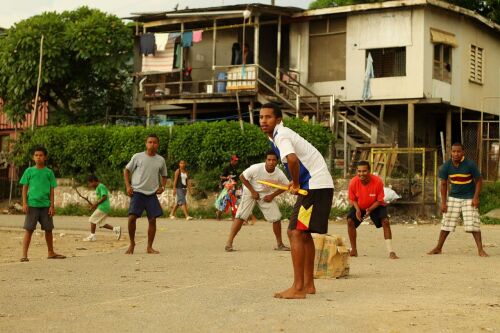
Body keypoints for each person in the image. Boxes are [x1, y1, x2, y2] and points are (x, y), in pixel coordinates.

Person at [259, 103, 334, 299]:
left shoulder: (281, 135)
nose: (263, 121)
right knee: (304, 234)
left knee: (294, 232)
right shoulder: (279, 136)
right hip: (318, 185)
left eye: (268, 117)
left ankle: (299, 287)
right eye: (261, 117)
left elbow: (292, 160)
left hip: (314, 186)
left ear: (278, 120)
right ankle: (308, 285)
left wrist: (294, 182)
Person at [428, 142, 488, 257]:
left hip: (469, 197)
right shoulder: (446, 166)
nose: (456, 154)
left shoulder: (470, 164)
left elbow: (479, 181)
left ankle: (480, 250)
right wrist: (443, 203)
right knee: (447, 223)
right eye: (454, 151)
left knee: (473, 224)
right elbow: (444, 185)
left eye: (458, 151)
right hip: (453, 197)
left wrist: (476, 198)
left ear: (463, 152)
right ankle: (438, 248)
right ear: (451, 152)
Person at [225, 150, 291, 252]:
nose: (271, 162)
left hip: (266, 195)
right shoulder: (256, 168)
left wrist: (272, 195)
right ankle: (229, 243)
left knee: (276, 217)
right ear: (265, 160)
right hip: (250, 191)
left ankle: (280, 244)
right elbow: (242, 177)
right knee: (241, 216)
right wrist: (253, 191)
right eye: (269, 159)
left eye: (273, 160)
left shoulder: (279, 173)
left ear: (277, 162)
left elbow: (286, 186)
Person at [19, 146, 65, 262]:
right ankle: (24, 255)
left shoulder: (49, 172)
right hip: (32, 205)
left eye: (41, 155)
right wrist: (24, 203)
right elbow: (25, 188)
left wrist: (52, 205)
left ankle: (51, 252)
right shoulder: (29, 171)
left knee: (48, 229)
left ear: (45, 157)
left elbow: (52, 190)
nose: (38, 157)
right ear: (33, 157)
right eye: (36, 155)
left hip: (45, 206)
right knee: (29, 230)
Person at [124, 134, 168, 255]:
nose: (152, 144)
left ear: (157, 145)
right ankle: (132, 243)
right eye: (150, 142)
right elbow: (126, 171)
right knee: (132, 218)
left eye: (154, 142)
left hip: (151, 194)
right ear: (146, 143)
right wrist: (128, 186)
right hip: (137, 192)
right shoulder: (137, 157)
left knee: (152, 220)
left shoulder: (160, 160)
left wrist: (163, 187)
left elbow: (164, 175)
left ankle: (149, 247)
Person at [347, 161, 399, 259]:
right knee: (350, 221)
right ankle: (354, 250)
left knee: (385, 221)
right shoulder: (353, 182)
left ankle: (391, 251)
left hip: (375, 205)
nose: (361, 174)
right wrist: (358, 210)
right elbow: (353, 199)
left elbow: (380, 200)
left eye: (364, 171)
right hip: (360, 206)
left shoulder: (377, 181)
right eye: (359, 171)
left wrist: (370, 209)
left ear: (369, 171)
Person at [83, 175, 121, 242]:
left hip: (104, 207)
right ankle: (116, 229)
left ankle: (92, 236)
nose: (90, 185)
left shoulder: (101, 186)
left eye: (90, 183)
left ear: (94, 181)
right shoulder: (98, 188)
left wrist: (95, 204)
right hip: (103, 207)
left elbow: (104, 197)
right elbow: (99, 199)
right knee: (101, 224)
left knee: (92, 220)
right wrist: (94, 206)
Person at [215, 155, 240, 220]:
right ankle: (219, 213)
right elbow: (221, 176)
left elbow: (236, 179)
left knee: (233, 202)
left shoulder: (235, 168)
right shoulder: (227, 167)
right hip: (227, 188)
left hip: (233, 187)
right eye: (235, 160)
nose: (236, 162)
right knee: (225, 202)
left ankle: (233, 217)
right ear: (231, 160)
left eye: (237, 160)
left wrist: (237, 187)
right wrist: (227, 177)